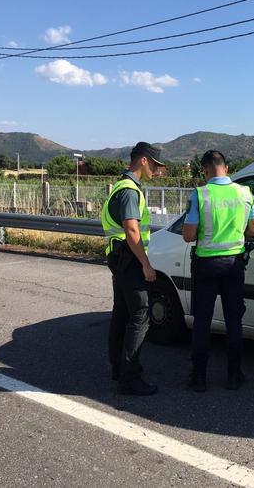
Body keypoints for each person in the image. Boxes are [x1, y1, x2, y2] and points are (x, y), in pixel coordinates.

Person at [182, 150, 254, 392]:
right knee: (234, 321)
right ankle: (234, 376)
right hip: (234, 264)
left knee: (203, 322)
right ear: (226, 168)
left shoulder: (200, 194)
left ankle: (199, 379)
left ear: (205, 170)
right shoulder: (245, 193)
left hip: (206, 265)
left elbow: (188, 235)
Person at [101, 142, 164, 396]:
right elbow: (131, 230)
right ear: (144, 161)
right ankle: (130, 377)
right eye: (156, 166)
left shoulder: (121, 186)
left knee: (122, 314)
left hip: (120, 259)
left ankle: (118, 367)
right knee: (140, 315)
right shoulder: (129, 191)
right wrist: (146, 264)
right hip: (130, 260)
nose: (158, 172)